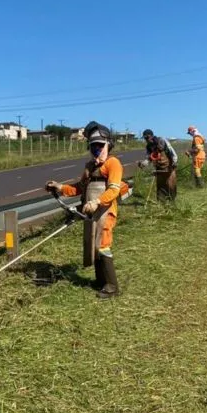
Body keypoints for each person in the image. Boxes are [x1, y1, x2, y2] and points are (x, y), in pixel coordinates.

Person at [45, 121, 126, 298]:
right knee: (94, 247)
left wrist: (97, 201)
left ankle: (112, 286)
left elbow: (114, 189)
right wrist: (59, 187)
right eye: (93, 146)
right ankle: (100, 281)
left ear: (108, 145)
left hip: (105, 210)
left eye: (100, 145)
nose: (97, 149)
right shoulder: (89, 166)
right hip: (91, 211)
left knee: (103, 246)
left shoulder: (113, 164)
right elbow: (79, 188)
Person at [138, 129, 178, 201]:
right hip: (159, 168)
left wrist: (174, 161)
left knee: (171, 185)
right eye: (145, 138)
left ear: (151, 136)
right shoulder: (148, 147)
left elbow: (171, 151)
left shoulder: (162, 140)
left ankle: (172, 202)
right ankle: (161, 203)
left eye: (147, 138)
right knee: (160, 186)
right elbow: (150, 158)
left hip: (169, 166)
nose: (146, 140)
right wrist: (143, 163)